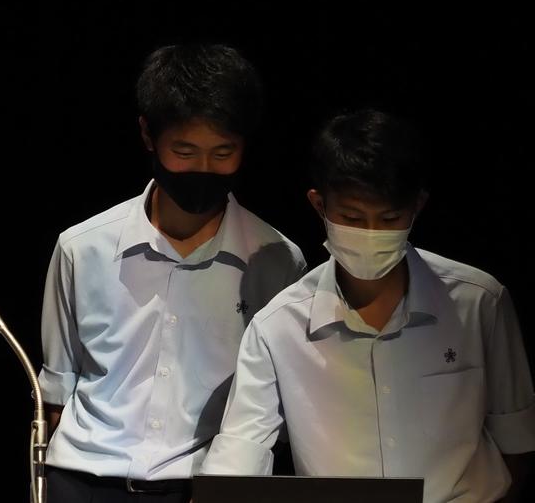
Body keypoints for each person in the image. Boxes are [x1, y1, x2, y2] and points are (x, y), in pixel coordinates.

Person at [200, 108, 535, 502]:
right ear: (320, 205)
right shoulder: (278, 326)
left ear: (417, 206)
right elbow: (240, 453)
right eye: (352, 217)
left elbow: (516, 444)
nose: (371, 233)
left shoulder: (479, 303)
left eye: (390, 218)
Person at [37, 43, 307, 503]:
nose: (203, 169)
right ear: (148, 135)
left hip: (202, 487)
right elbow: (58, 395)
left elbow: (274, 409)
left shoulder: (278, 262)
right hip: (84, 479)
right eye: (184, 150)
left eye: (223, 153)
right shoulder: (83, 247)